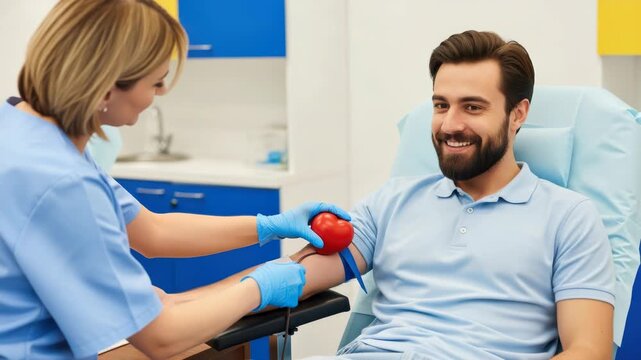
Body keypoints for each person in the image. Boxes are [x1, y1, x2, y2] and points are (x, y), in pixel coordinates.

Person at [224, 30, 616, 359]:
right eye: (441, 105)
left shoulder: (569, 217)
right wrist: (179, 309)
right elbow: (289, 278)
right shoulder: (393, 201)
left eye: (472, 107)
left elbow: (588, 350)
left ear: (518, 114)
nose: (450, 124)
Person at [0, 0, 351, 359]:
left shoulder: (22, 127)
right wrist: (258, 289)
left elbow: (153, 232)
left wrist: (270, 225)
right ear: (105, 87)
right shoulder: (62, 180)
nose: (160, 94)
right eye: (155, 83)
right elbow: (161, 337)